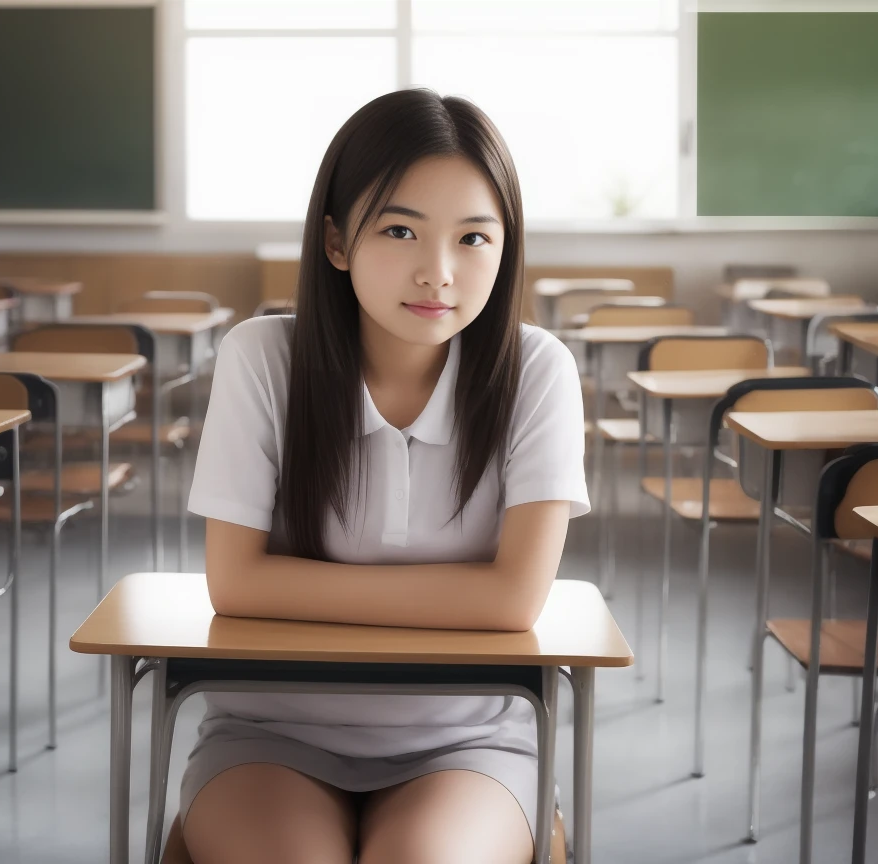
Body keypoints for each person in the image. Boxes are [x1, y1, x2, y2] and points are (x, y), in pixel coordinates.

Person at [183, 88, 589, 864]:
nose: (438, 273)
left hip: (471, 738)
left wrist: (292, 585)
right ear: (336, 241)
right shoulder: (264, 359)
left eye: (474, 238)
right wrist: (464, 598)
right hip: (269, 731)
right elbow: (233, 584)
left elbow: (514, 601)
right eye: (400, 229)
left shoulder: (537, 371)